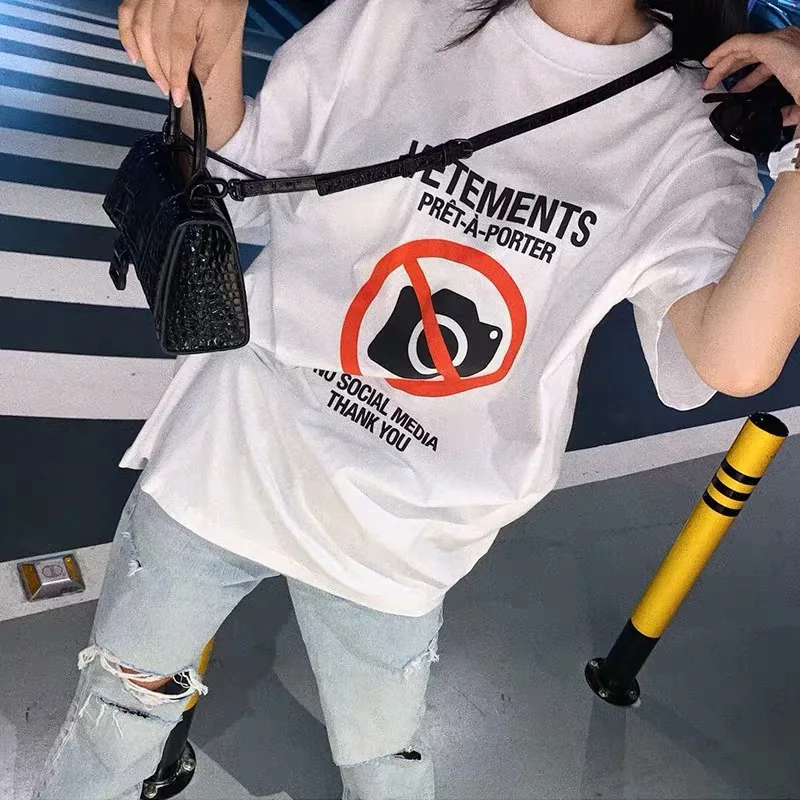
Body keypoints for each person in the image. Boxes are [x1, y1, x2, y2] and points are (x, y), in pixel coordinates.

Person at [32, 0, 800, 798]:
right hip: (235, 450)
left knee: (383, 760)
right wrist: (211, 47)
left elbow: (731, 358)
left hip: (406, 524)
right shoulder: (404, 13)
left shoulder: (689, 119)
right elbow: (242, 183)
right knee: (118, 716)